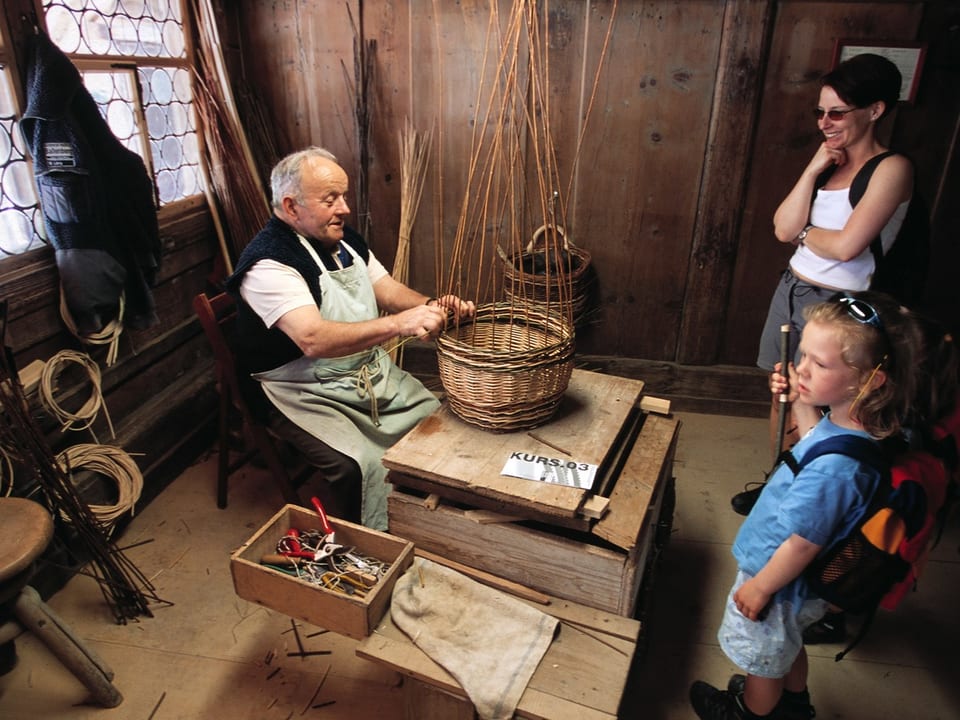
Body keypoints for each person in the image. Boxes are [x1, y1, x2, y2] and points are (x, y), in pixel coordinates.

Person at [691, 291, 920, 720]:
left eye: (820, 363)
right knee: (784, 644)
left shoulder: (837, 471)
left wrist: (760, 588)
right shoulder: (851, 426)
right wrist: (799, 397)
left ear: (870, 380)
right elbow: (812, 440)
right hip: (795, 591)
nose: (804, 367)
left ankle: (750, 711)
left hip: (780, 581)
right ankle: (792, 704)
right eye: (803, 355)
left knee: (763, 659)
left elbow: (802, 543)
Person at [225, 146, 475, 530]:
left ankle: (427, 517)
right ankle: (369, 537)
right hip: (299, 390)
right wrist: (399, 324)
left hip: (361, 374)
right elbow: (313, 339)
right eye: (331, 199)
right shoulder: (269, 264)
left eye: (344, 196)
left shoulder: (343, 240)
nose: (344, 208)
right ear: (291, 207)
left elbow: (387, 289)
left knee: (434, 421)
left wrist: (432, 306)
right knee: (356, 464)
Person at [735, 52, 914, 514]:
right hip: (792, 289)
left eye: (837, 113)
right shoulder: (829, 167)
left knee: (829, 406)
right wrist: (814, 167)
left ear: (875, 110)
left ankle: (813, 499)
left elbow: (848, 246)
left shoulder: (891, 168)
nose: (824, 123)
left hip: (840, 307)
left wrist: (803, 235)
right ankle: (781, 481)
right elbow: (781, 227)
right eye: (820, 112)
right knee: (782, 389)